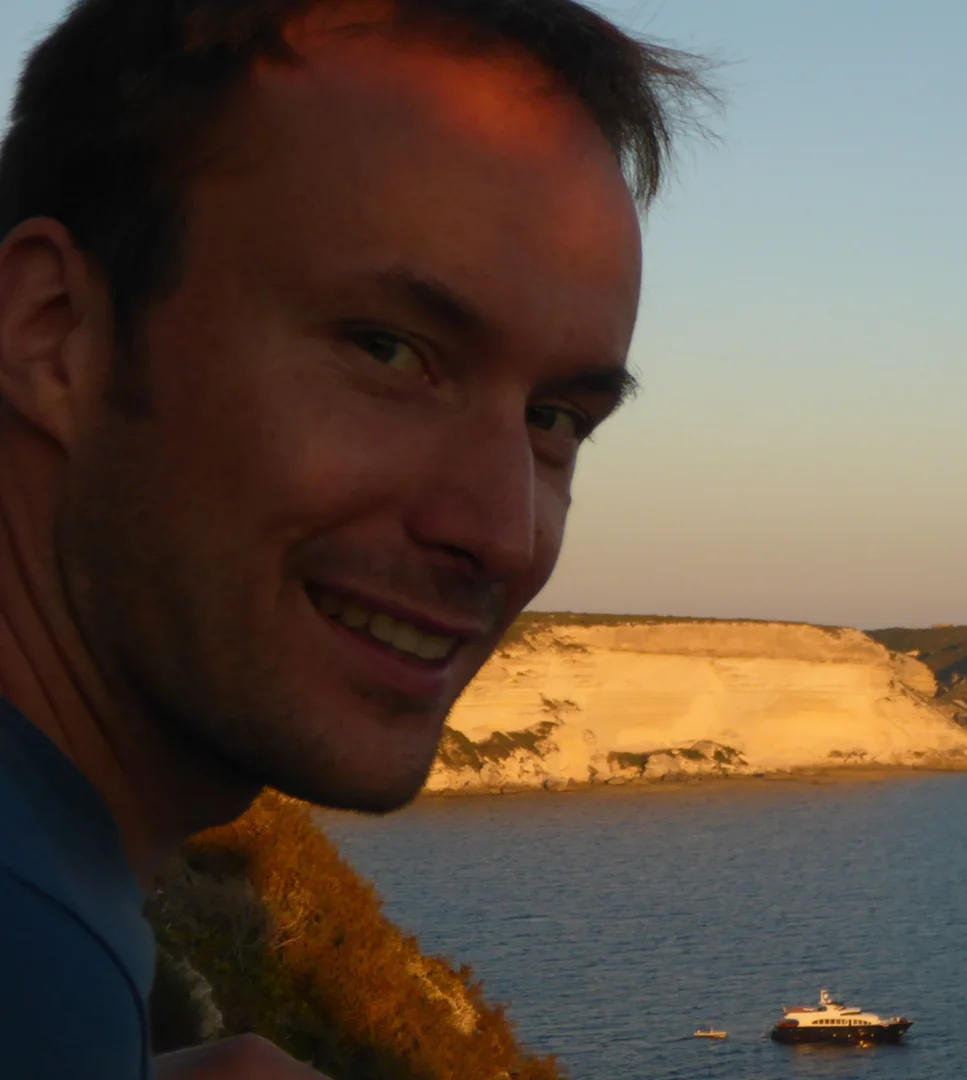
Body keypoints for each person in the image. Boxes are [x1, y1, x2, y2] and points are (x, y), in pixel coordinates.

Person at [0, 1, 708, 1075]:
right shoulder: (29, 965)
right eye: (386, 351)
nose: (501, 533)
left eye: (556, 419)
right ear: (52, 330)